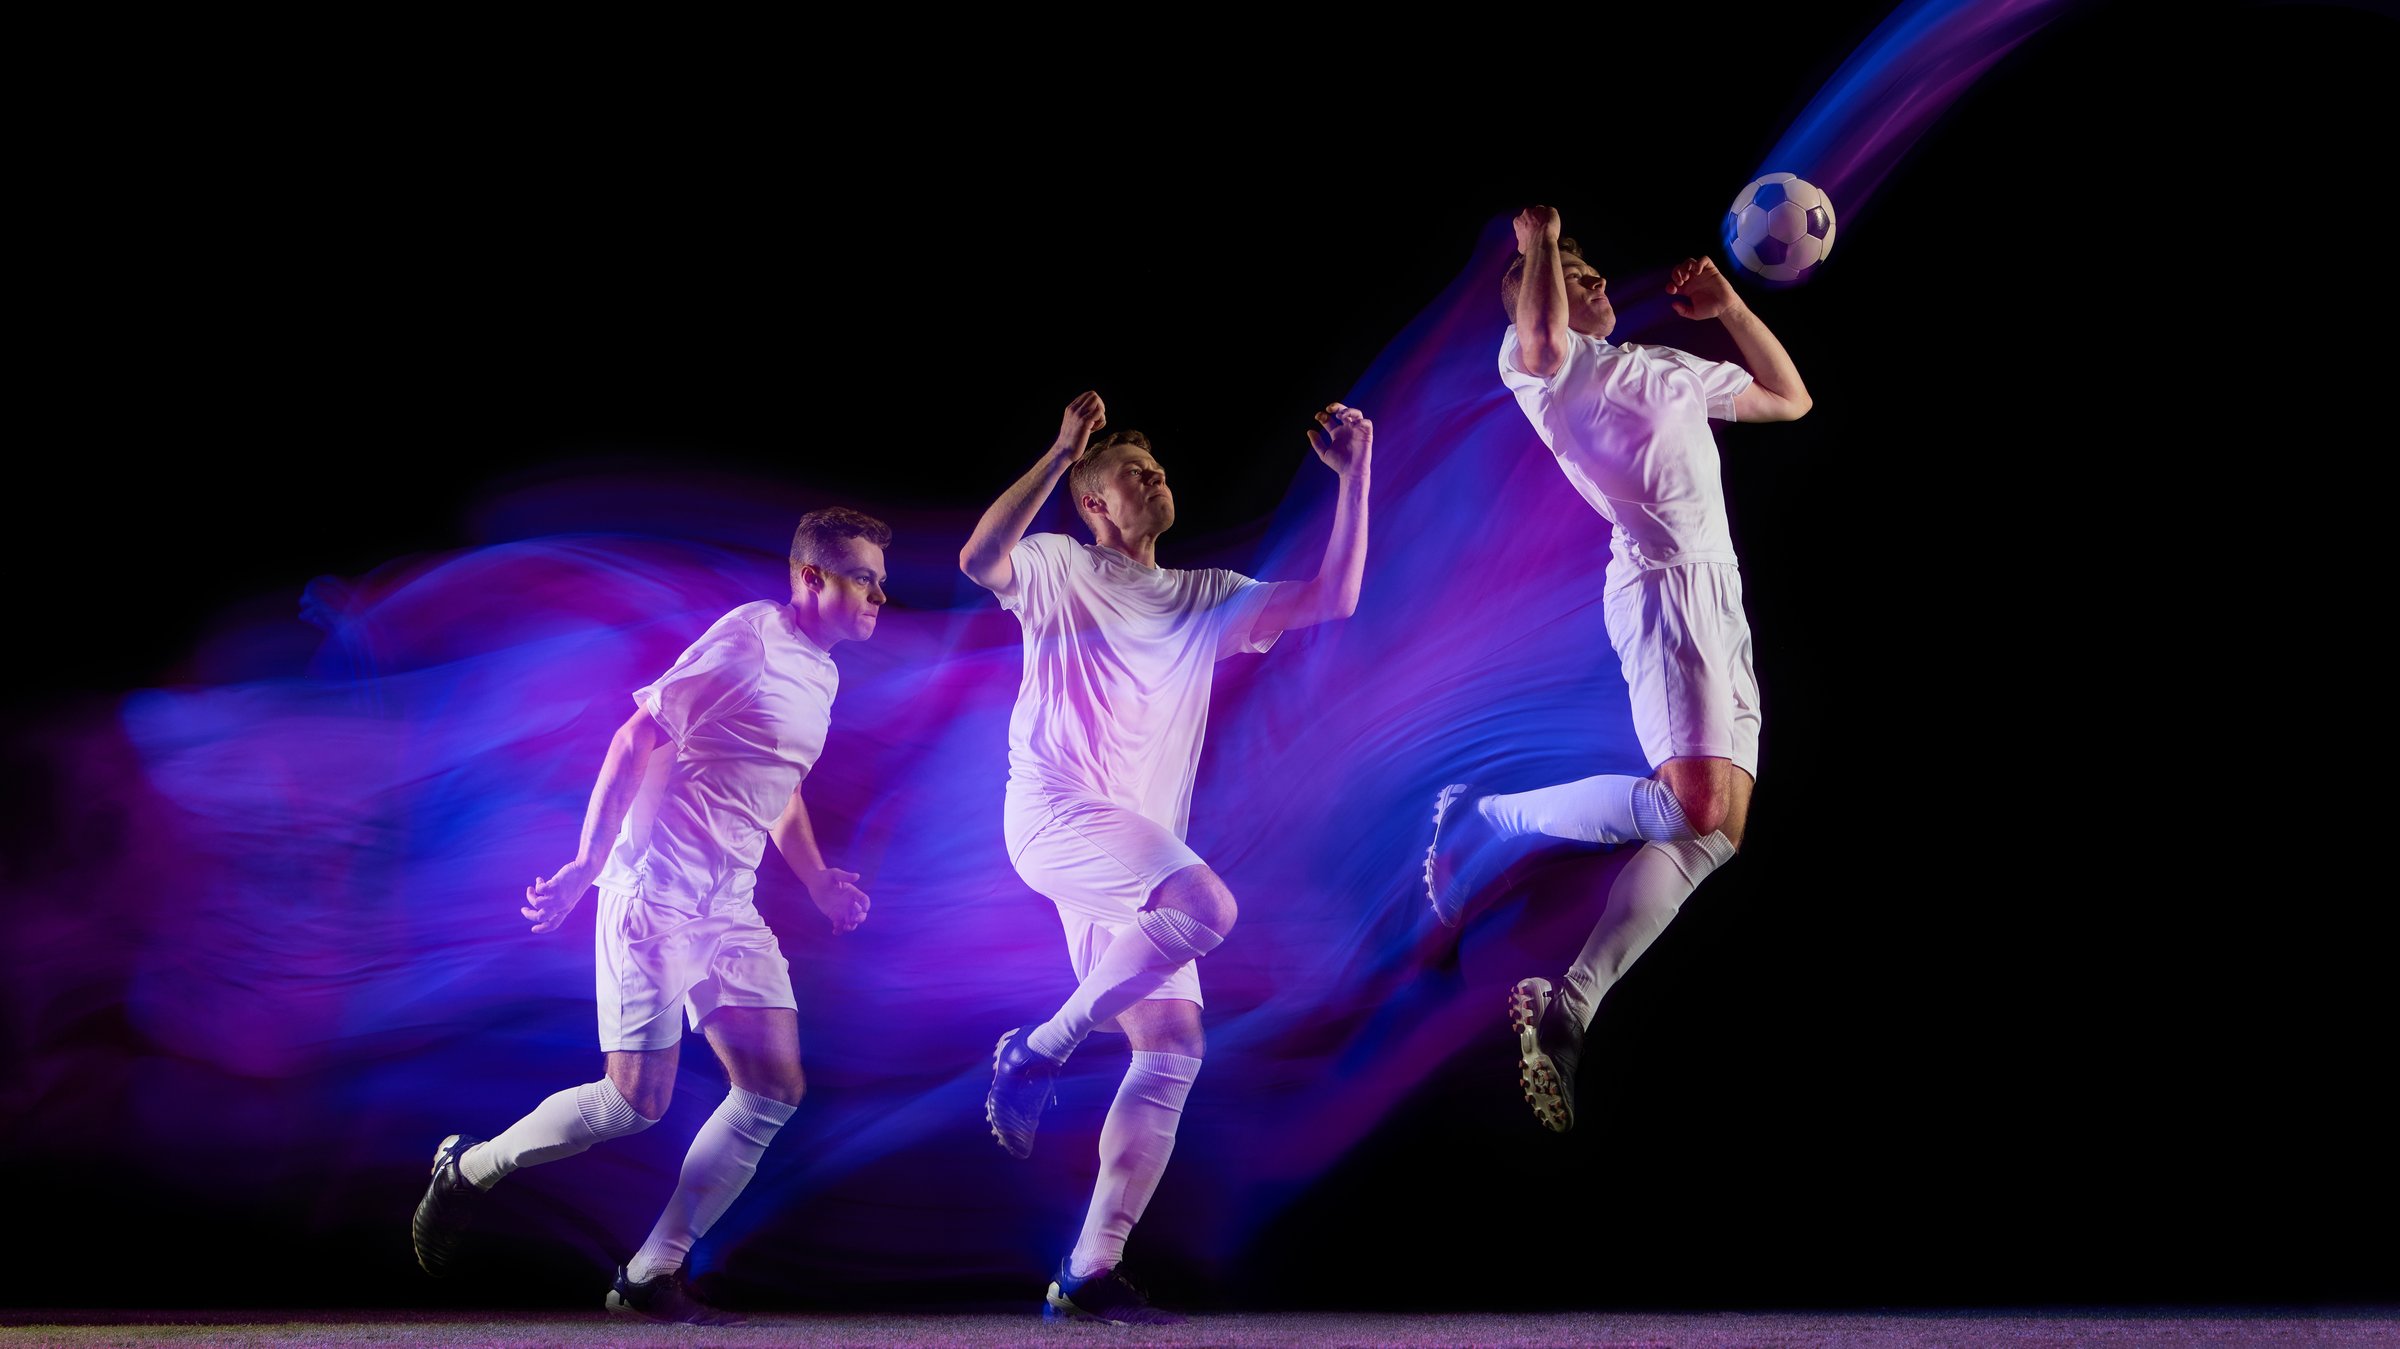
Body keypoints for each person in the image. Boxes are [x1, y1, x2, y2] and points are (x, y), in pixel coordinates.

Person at [409, 507, 890, 1324]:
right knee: (634, 1103)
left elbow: (778, 785)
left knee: (773, 1088)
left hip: (727, 904)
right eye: (865, 578)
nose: (880, 593)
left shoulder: (823, 671)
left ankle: (649, 1274)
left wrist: (813, 880)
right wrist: (585, 866)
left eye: (881, 580)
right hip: (655, 893)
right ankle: (470, 1169)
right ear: (811, 577)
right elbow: (636, 738)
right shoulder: (748, 640)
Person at [959, 390, 1370, 1324]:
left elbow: (1335, 596)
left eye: (1159, 469)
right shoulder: (1059, 563)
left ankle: (1086, 1273)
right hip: (1058, 816)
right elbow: (980, 558)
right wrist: (1062, 449)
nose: (1155, 477)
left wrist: (1356, 479)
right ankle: (1038, 1048)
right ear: (1095, 503)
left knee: (1174, 1048)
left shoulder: (1204, 597)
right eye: (1131, 473)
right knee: (1209, 908)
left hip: (1131, 854)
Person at [1425, 204, 1811, 1133]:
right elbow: (1547, 323)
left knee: (1717, 836)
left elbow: (1790, 398)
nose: (1596, 282)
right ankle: (1488, 818)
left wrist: (1726, 308)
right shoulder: (1543, 368)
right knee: (1695, 807)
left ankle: (1571, 1009)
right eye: (1573, 273)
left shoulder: (1668, 366)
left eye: (1595, 271)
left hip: (1720, 594)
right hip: (1660, 584)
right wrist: (1539, 245)